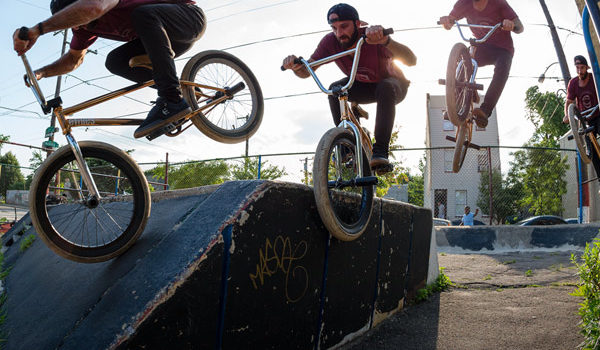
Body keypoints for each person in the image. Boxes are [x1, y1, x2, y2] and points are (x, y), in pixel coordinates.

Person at [12, 0, 206, 139]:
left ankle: (171, 99)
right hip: (160, 41)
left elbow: (93, 7)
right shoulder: (84, 29)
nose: (82, 25)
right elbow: (73, 59)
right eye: (75, 24)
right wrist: (42, 73)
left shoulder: (96, 3)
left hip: (187, 19)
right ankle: (182, 93)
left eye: (78, 19)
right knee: (115, 61)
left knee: (143, 14)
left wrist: (37, 30)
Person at [281, 3, 416, 171]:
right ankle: (348, 147)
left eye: (344, 27)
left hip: (394, 85)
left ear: (357, 24)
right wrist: (296, 66)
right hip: (362, 86)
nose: (340, 33)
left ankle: (380, 151)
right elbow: (307, 70)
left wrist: (386, 41)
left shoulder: (371, 37)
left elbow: (411, 60)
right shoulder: (330, 42)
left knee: (385, 86)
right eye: (334, 28)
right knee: (334, 90)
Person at [439, 0, 523, 128]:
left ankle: (485, 110)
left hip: (502, 48)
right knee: (464, 61)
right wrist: (447, 22)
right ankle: (455, 104)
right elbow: (450, 21)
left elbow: (520, 26)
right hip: (482, 45)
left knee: (503, 68)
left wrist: (511, 24)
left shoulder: (499, 3)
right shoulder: (463, 3)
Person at [564, 55, 600, 180]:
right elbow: (569, 102)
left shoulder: (594, 78)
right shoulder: (573, 83)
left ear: (587, 68)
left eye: (582, 68)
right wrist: (567, 115)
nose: (580, 71)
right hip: (585, 119)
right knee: (591, 149)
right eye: (578, 68)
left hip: (597, 113)